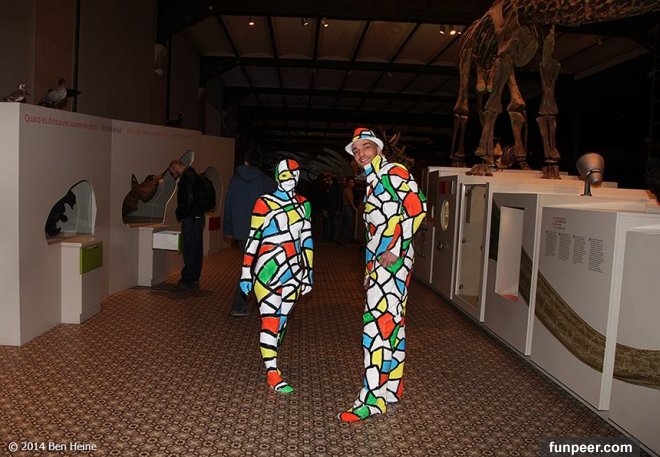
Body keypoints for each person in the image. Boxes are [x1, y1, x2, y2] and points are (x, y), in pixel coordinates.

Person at [338, 128, 427, 422]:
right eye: (356, 150)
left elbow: (418, 208)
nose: (361, 154)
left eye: (366, 147)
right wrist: (371, 268)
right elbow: (377, 230)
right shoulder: (374, 181)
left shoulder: (393, 172)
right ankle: (391, 388)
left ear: (378, 148)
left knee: (376, 327)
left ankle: (372, 398)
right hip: (383, 265)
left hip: (392, 264)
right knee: (392, 324)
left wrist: (396, 250)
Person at [240, 159, 314, 393]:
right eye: (284, 175)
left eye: (293, 175)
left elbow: (307, 240)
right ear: (277, 176)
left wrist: (308, 272)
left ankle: (271, 354)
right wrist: (245, 272)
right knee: (270, 321)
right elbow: (253, 237)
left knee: (282, 321)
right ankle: (272, 372)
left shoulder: (304, 204)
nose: (289, 179)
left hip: (295, 270)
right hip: (268, 269)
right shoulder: (264, 202)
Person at [224, 149, 276, 316]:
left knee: (249, 266)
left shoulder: (234, 181)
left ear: (245, 161)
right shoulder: (266, 182)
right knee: (259, 267)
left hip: (242, 232)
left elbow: (228, 206)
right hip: (262, 231)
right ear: (259, 163)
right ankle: (240, 305)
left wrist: (228, 229)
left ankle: (251, 301)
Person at [168, 160, 207, 289]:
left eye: (172, 173)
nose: (173, 176)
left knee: (189, 250)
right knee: (196, 250)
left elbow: (189, 199)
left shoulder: (186, 179)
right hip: (199, 217)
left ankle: (187, 280)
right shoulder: (195, 175)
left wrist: (181, 213)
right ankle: (194, 278)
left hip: (190, 219)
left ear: (175, 169)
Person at [337, 176, 356, 244]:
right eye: (350, 182)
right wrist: (354, 208)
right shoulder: (347, 190)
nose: (352, 184)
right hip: (347, 208)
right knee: (348, 224)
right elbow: (350, 200)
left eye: (353, 182)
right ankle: (343, 239)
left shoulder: (349, 190)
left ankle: (343, 239)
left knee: (346, 224)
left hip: (346, 208)